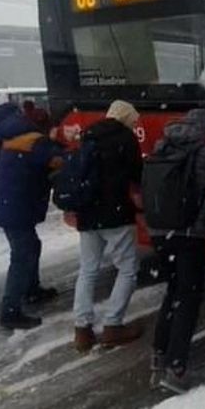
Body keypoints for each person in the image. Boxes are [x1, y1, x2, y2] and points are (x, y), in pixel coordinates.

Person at [144, 108, 205, 393]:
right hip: (190, 234)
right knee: (189, 299)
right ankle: (176, 368)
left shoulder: (161, 146)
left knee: (173, 293)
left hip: (160, 232)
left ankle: (159, 353)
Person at [68, 100, 145, 352]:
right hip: (116, 213)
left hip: (88, 212)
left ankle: (82, 330)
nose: (135, 124)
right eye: (133, 120)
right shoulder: (125, 138)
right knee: (127, 268)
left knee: (88, 269)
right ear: (125, 118)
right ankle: (113, 325)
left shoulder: (89, 135)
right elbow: (137, 174)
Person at [0, 107, 64, 330]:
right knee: (22, 256)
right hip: (16, 208)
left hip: (10, 205)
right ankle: (10, 312)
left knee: (30, 247)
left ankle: (32, 290)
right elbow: (57, 161)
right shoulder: (36, 142)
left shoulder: (17, 137)